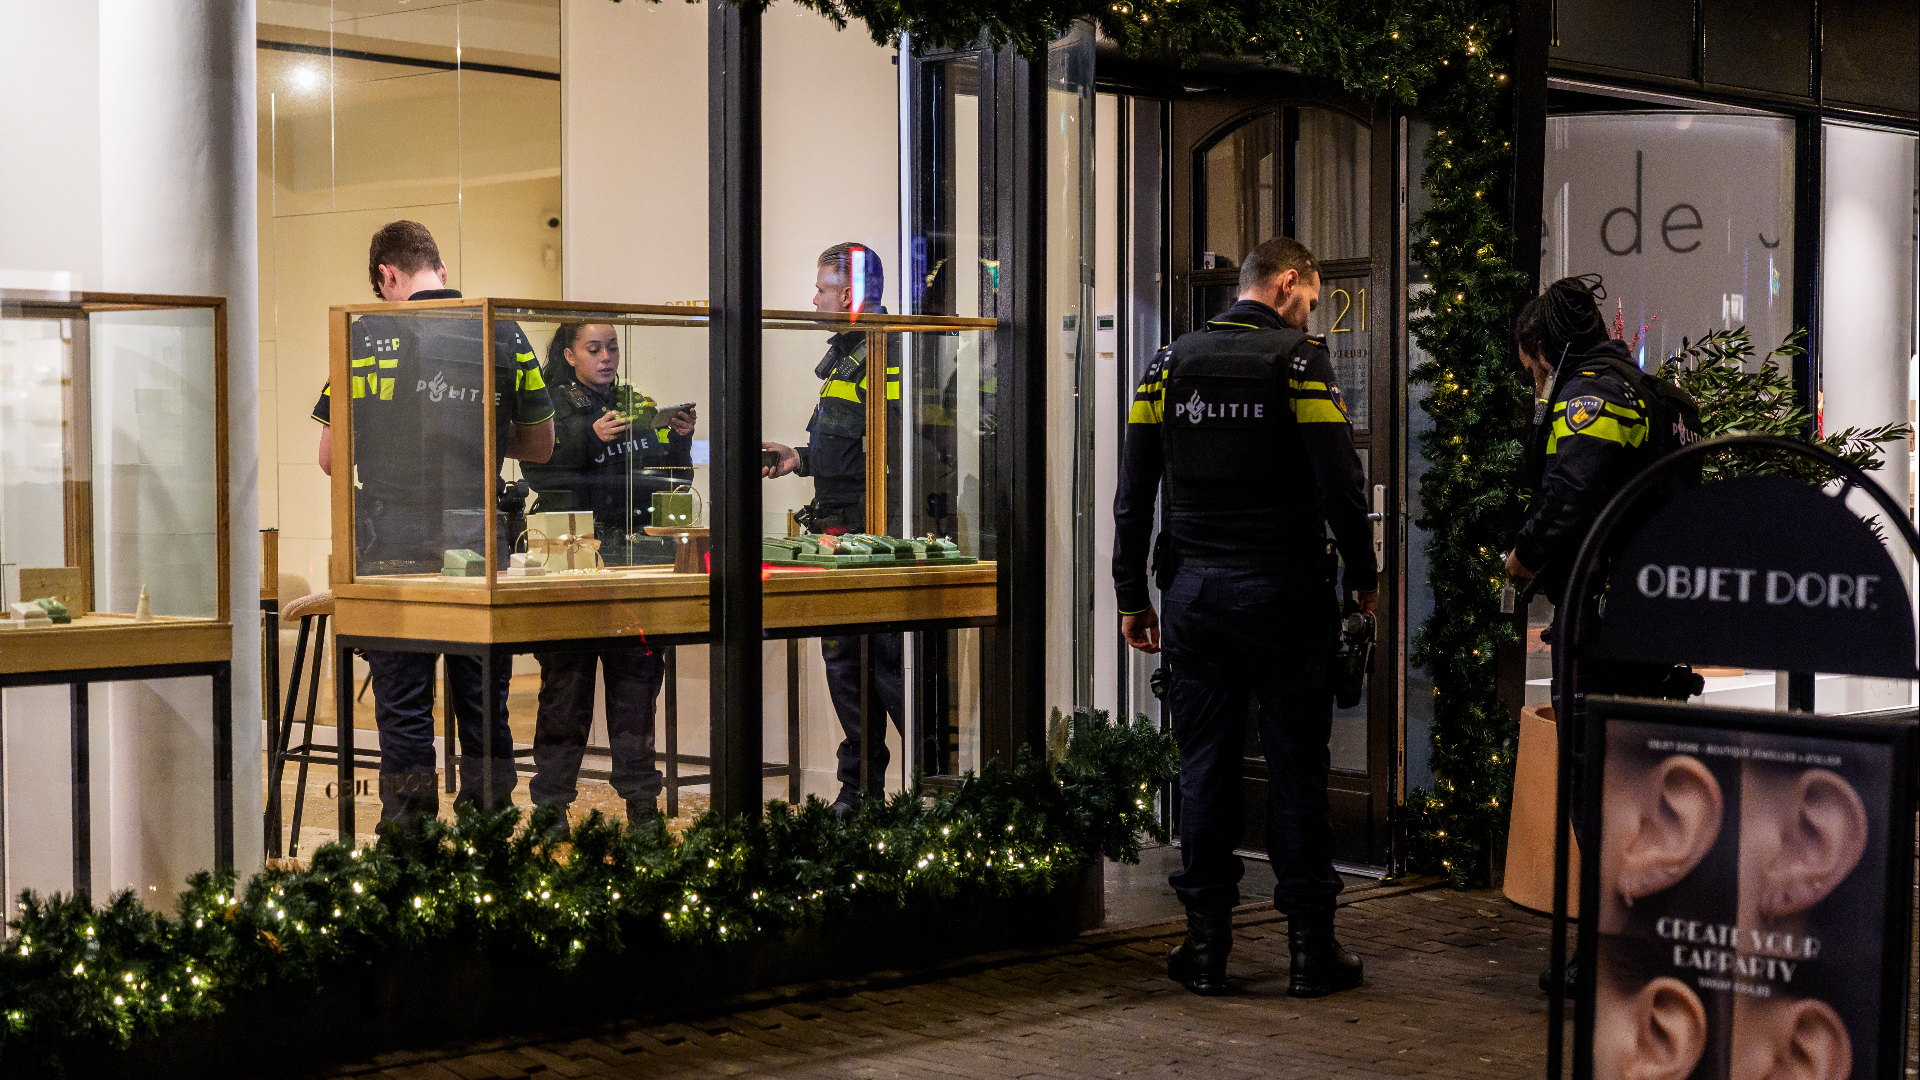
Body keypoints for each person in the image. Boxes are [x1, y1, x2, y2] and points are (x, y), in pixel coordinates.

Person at [1114, 236, 1375, 998]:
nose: (1308, 314)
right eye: (1311, 299)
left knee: (1204, 771)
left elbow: (1134, 495)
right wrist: (1364, 578)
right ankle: (1309, 952)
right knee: (1297, 770)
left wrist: (1134, 598)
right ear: (1289, 282)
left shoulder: (1167, 365)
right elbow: (1341, 485)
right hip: (1285, 596)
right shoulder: (1298, 363)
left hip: (1194, 596)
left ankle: (1203, 950)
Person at [313, 220, 554, 826]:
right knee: (484, 703)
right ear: (441, 271)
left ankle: (409, 838)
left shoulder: (363, 335)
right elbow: (542, 445)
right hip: (478, 538)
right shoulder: (503, 331)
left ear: (387, 277)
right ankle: (489, 829)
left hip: (391, 541)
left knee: (403, 707)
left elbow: (330, 457)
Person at [1502, 275, 1701, 994]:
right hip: (1652, 622)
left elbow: (1571, 492)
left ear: (1545, 349)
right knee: (1641, 788)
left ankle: (1613, 958)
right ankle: (1649, 942)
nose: (1534, 384)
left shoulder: (1592, 394)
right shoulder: (1654, 394)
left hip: (1608, 623)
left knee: (1601, 792)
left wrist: (1522, 557)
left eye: (1531, 369)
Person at [519, 323, 697, 831]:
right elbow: (538, 471)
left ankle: (642, 805)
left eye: (612, 347)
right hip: (570, 559)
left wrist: (678, 440)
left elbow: (667, 477)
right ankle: (550, 807)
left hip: (635, 558)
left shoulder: (636, 403)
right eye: (593, 349)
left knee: (637, 686)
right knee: (565, 690)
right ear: (570, 355)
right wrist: (584, 437)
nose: (606, 357)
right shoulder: (550, 404)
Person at [761, 242, 903, 816]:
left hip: (879, 535)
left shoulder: (888, 352)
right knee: (845, 666)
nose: (813, 298)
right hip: (840, 532)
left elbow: (900, 445)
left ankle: (933, 794)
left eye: (821, 288)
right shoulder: (848, 356)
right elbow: (850, 446)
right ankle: (859, 790)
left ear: (848, 294)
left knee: (890, 669)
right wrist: (800, 457)